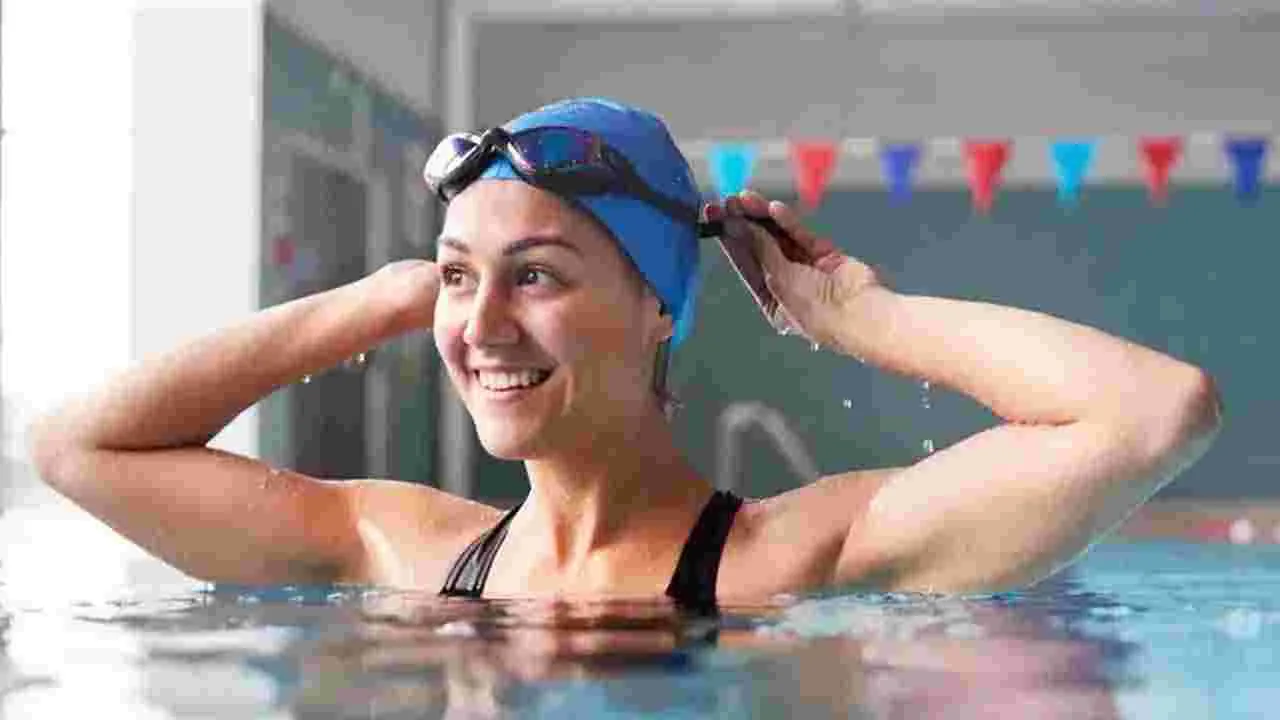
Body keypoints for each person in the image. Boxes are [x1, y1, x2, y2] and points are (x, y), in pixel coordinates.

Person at [28, 97, 1221, 608]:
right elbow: (76, 447)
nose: (480, 327)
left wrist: (865, 317)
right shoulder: (404, 552)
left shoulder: (797, 558)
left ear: (659, 307)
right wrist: (387, 298)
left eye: (536, 275)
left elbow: (1153, 409)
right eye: (460, 276)